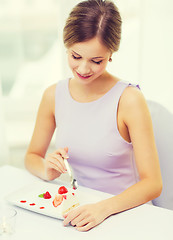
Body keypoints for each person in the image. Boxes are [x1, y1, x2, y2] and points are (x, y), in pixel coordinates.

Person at [25, 0, 162, 232]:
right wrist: (47, 169)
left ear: (111, 54)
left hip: (125, 213)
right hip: (80, 211)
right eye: (76, 56)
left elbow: (153, 184)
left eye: (96, 61)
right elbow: (32, 156)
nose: (84, 69)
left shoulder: (129, 99)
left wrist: (103, 208)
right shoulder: (53, 95)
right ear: (66, 47)